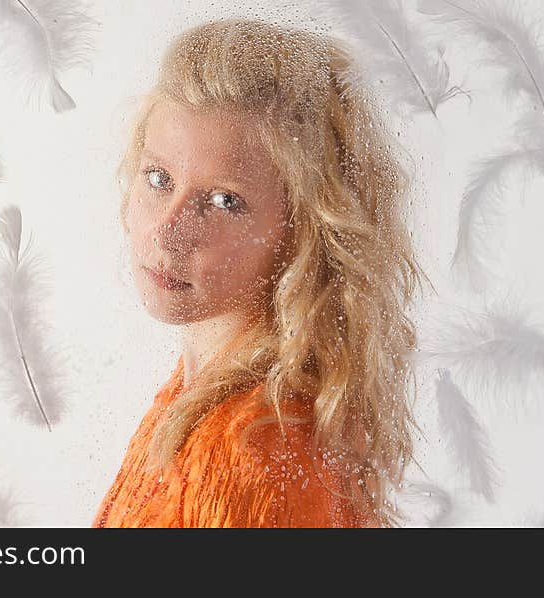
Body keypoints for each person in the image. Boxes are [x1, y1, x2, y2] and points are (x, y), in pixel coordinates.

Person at [93, 17, 426, 528]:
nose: (168, 230)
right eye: (158, 178)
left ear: (305, 231)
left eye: (224, 201)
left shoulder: (250, 448)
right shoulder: (200, 398)